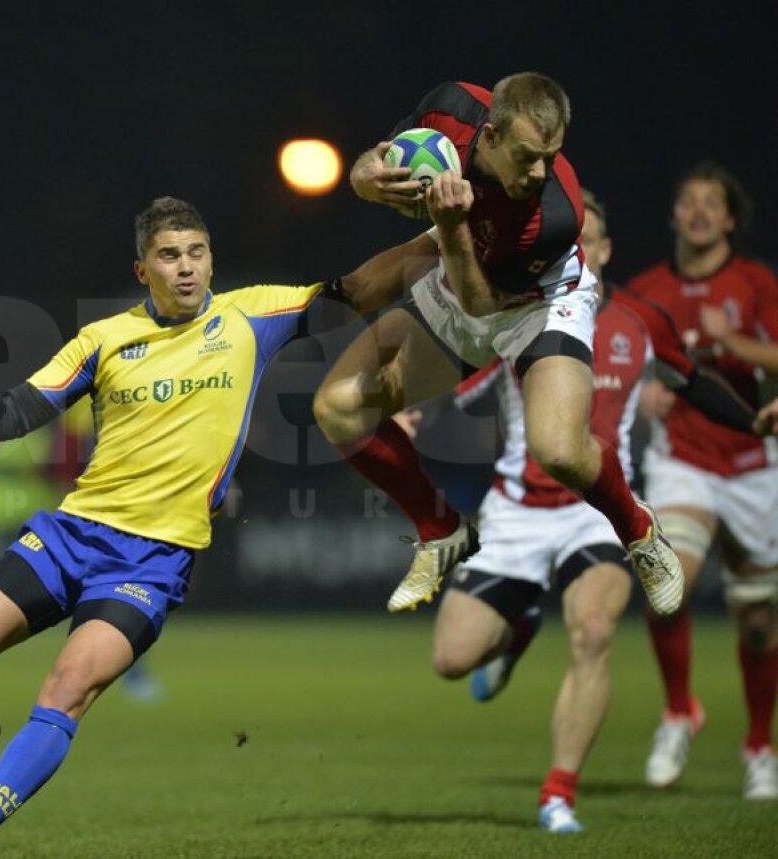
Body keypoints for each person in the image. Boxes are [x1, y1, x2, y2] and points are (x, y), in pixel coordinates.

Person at [0, 196, 396, 857]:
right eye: (169, 256)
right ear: (142, 269)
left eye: (197, 253)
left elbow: (356, 290)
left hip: (151, 561)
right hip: (72, 533)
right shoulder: (104, 338)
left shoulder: (252, 315)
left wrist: (444, 235)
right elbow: (16, 410)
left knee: (67, 686)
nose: (186, 268)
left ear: (211, 260)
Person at [428, 190, 750, 833]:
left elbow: (696, 385)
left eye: (587, 240)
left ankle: (557, 794)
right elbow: (458, 375)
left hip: (597, 511)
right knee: (451, 659)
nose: (575, 250)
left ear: (602, 250)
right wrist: (418, 410)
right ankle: (518, 625)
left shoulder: (639, 320)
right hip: (518, 511)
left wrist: (759, 425)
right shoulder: (518, 313)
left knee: (596, 633)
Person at [312, 73, 683, 617]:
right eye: (528, 156)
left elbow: (483, 305)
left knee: (558, 450)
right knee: (339, 408)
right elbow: (380, 156)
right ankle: (442, 531)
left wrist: (451, 224)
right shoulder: (451, 108)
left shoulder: (556, 213)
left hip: (536, 300)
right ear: (488, 137)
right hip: (459, 257)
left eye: (550, 157)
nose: (539, 172)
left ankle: (639, 530)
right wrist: (368, 176)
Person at [626, 162, 778, 800]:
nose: (698, 211)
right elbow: (617, 367)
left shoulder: (755, 284)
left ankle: (758, 748)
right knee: (668, 585)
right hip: (682, 459)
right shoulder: (647, 290)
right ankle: (679, 710)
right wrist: (641, 400)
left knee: (760, 623)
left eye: (711, 203)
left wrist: (733, 344)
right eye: (687, 202)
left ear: (731, 219)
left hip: (754, 464)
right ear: (675, 217)